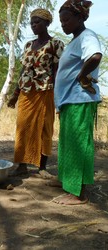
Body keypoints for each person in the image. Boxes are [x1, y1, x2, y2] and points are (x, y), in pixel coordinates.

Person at [52, 0, 102, 205]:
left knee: (78, 144)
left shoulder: (87, 36)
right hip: (69, 100)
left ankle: (78, 193)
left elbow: (96, 56)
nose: (63, 24)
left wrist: (82, 76)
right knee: (68, 144)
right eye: (61, 21)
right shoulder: (74, 40)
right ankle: (67, 180)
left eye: (67, 20)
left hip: (79, 98)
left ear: (80, 17)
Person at [7, 9, 64, 177]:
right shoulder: (28, 46)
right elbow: (23, 71)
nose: (33, 25)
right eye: (32, 23)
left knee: (45, 128)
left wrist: (58, 95)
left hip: (46, 90)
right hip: (26, 92)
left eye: (37, 22)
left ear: (47, 23)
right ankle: (22, 165)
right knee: (23, 126)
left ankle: (42, 168)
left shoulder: (55, 44)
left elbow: (57, 70)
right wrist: (15, 94)